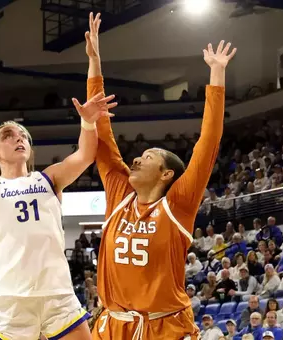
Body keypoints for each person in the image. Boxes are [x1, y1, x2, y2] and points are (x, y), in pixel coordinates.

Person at [0, 28, 117, 338]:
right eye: (9, 136)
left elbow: (86, 154)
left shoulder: (49, 179)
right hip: (12, 301)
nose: (19, 138)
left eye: (23, 136)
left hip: (57, 294)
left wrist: (88, 121)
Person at [87, 11, 237, 339]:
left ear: (167, 174)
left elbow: (208, 144)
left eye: (147, 157)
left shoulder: (178, 205)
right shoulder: (119, 193)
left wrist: (216, 73)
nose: (136, 160)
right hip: (112, 326)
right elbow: (101, 133)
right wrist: (94, 63)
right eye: (139, 156)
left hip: (164, 326)